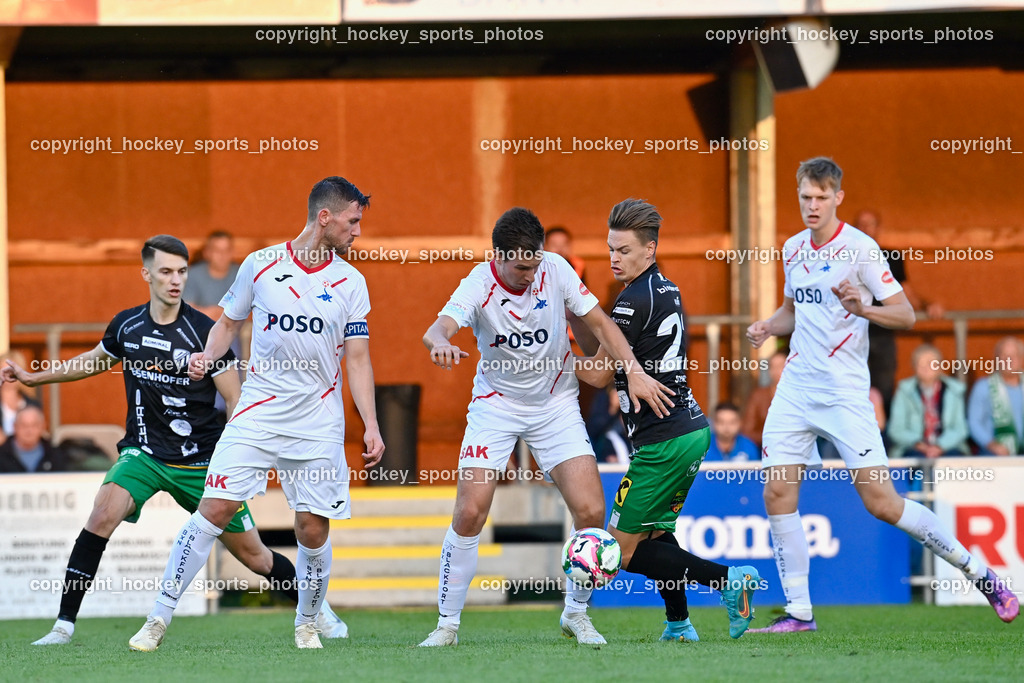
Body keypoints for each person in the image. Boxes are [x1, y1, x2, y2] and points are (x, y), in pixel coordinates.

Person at [2, 235, 346, 646]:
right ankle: (63, 626)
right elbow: (92, 362)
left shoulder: (207, 332)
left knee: (256, 557)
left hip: (203, 462)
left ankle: (317, 608)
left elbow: (235, 397)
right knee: (101, 514)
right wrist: (34, 377)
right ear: (146, 273)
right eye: (165, 271)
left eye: (182, 271)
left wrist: (240, 457)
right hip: (144, 454)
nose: (175, 280)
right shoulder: (128, 326)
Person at [745, 157, 1017, 633]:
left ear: (838, 198)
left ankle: (981, 574)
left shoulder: (862, 250)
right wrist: (769, 326)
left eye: (821, 198)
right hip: (795, 388)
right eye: (805, 197)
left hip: (846, 394)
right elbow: (793, 312)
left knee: (882, 503)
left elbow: (907, 315)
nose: (812, 206)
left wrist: (863, 307)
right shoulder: (791, 248)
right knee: (777, 491)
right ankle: (799, 614)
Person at [129, 178, 384, 651]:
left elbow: (358, 358)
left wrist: (369, 423)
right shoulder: (261, 265)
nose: (358, 232)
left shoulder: (352, 282)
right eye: (353, 221)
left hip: (318, 422)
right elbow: (228, 322)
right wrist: (207, 356)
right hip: (258, 413)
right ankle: (157, 620)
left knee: (312, 526)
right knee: (214, 510)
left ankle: (308, 623)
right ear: (324, 218)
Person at [418, 207, 673, 648]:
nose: (529, 274)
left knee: (592, 512)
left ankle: (576, 614)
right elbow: (436, 330)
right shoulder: (477, 283)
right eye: (520, 267)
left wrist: (631, 370)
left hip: (555, 404)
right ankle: (446, 625)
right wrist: (440, 343)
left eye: (534, 263)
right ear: (497, 257)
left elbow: (602, 326)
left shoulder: (554, 269)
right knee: (470, 511)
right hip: (495, 406)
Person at [574, 199, 760, 643]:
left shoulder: (629, 302)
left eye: (623, 250)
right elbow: (609, 347)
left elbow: (599, 374)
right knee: (657, 534)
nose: (614, 259)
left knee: (618, 552)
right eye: (610, 249)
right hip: (688, 432)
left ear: (650, 249)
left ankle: (729, 580)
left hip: (663, 442)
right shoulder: (665, 288)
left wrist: (549, 360)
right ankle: (678, 623)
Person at [856, 209, 943, 417]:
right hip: (852, 332)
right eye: (861, 224)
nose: (866, 228)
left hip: (883, 333)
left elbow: (905, 292)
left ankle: (882, 439)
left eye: (871, 224)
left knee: (884, 387)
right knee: (851, 385)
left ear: (879, 228)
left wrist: (927, 305)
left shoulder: (892, 257)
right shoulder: (843, 256)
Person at [888, 344, 969, 458]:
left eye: (931, 363)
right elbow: (896, 429)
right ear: (914, 367)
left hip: (948, 448)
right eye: (920, 363)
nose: (926, 367)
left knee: (954, 464)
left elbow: (960, 429)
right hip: (914, 448)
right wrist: (920, 445)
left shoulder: (954, 390)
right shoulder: (904, 391)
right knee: (915, 463)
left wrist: (940, 446)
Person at [967, 336, 1024, 455]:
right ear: (997, 359)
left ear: (1021, 359)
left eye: (1014, 355)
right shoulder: (983, 387)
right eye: (1004, 355)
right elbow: (974, 422)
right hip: (994, 455)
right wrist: (992, 445)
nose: (1009, 360)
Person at [184, 230, 240, 320]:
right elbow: (186, 311)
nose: (222, 255)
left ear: (232, 252)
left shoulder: (242, 275)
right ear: (207, 253)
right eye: (217, 250)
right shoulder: (193, 274)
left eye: (227, 250)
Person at [0, 405, 68, 472]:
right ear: (14, 426)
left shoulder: (54, 455)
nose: (29, 430)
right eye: (24, 425)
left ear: (43, 426)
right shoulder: (2, 454)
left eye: (34, 425)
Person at [741, 350, 787, 447]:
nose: (776, 371)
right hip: (764, 449)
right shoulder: (759, 395)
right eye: (772, 367)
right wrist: (772, 437)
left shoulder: (799, 395)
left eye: (781, 366)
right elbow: (747, 431)